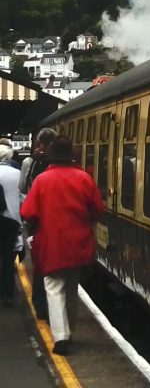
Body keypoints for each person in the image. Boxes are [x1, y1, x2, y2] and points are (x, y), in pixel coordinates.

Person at [21, 136, 104, 355]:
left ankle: (60, 337)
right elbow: (98, 208)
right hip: (78, 243)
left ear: (50, 154)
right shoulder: (84, 178)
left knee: (54, 288)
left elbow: (28, 212)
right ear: (72, 155)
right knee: (71, 288)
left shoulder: (42, 180)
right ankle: (70, 331)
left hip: (51, 242)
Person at [19, 127, 57, 320]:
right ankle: (56, 307)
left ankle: (40, 305)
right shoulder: (62, 162)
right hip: (59, 218)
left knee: (40, 262)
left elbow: (23, 187)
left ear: (39, 142)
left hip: (38, 219)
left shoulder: (30, 162)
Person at [0, 144, 22, 306]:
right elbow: (22, 196)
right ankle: (7, 293)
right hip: (12, 220)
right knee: (8, 259)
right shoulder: (17, 174)